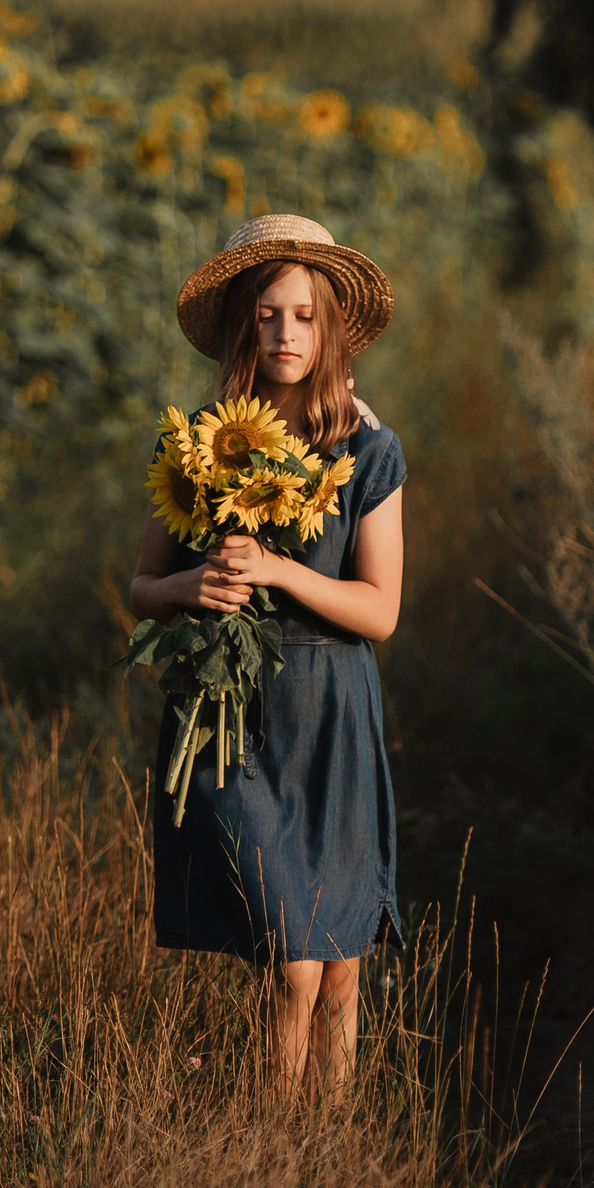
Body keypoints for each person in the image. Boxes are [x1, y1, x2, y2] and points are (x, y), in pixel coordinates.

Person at [128, 213, 407, 1090]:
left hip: (331, 712)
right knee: (292, 957)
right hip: (233, 716)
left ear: (330, 327)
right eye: (267, 316)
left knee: (340, 966)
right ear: (243, 326)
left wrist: (280, 569)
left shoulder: (367, 449)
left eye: (304, 315)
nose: (286, 334)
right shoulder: (202, 441)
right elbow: (139, 587)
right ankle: (278, 1142)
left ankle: (319, 1168)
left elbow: (380, 609)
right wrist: (193, 588)